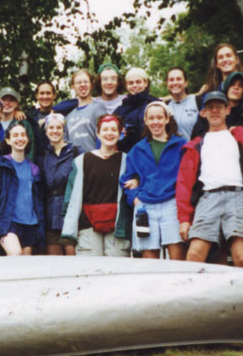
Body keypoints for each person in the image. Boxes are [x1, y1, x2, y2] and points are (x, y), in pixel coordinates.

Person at [176, 91, 243, 268]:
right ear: (203, 113)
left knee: (242, 257)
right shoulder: (195, 145)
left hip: (238, 197)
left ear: (227, 110)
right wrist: (183, 218)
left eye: (219, 107)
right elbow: (183, 184)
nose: (214, 111)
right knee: (194, 254)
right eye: (210, 107)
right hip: (207, 199)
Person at [121, 101, 187, 260]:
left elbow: (188, 175)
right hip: (145, 206)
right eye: (151, 118)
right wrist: (135, 198)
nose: (155, 122)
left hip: (172, 204)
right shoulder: (137, 149)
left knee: (176, 255)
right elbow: (127, 179)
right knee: (149, 256)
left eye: (159, 117)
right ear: (146, 121)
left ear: (167, 119)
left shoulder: (180, 145)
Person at [62, 114, 131, 256]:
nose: (109, 133)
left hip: (117, 228)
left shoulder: (128, 160)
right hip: (88, 227)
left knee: (116, 272)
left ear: (120, 133)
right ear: (98, 133)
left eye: (113, 130)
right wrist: (69, 235)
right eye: (105, 129)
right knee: (91, 271)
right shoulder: (81, 161)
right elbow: (70, 199)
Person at [0, 122, 46, 256]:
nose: (19, 138)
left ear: (27, 139)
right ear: (8, 140)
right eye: (15, 135)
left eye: (23, 135)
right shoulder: (0, 164)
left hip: (30, 224)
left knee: (25, 265)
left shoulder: (34, 169)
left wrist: (41, 227)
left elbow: (38, 201)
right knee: (16, 254)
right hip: (8, 222)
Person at [38, 113, 79, 255]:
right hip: (50, 212)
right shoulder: (43, 156)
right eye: (51, 127)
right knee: (54, 258)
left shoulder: (75, 152)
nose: (55, 131)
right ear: (46, 131)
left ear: (64, 130)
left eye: (58, 127)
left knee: (71, 253)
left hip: (70, 209)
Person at [114, 67, 160, 153]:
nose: (135, 85)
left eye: (138, 82)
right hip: (127, 154)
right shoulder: (120, 110)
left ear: (145, 83)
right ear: (127, 86)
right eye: (131, 83)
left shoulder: (155, 104)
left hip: (151, 153)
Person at [64, 68, 107, 154]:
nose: (83, 85)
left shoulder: (98, 108)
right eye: (79, 82)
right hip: (74, 163)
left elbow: (103, 138)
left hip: (93, 159)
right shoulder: (69, 114)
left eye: (86, 82)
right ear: (73, 87)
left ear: (91, 84)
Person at [0, 86, 36, 160]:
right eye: (4, 99)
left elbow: (30, 150)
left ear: (16, 104)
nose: (7, 103)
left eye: (11, 100)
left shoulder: (23, 124)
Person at [165, 66, 198, 140]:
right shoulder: (164, 107)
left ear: (186, 83)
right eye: (171, 80)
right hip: (173, 151)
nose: (175, 82)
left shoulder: (197, 101)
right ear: (167, 84)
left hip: (195, 150)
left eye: (179, 79)